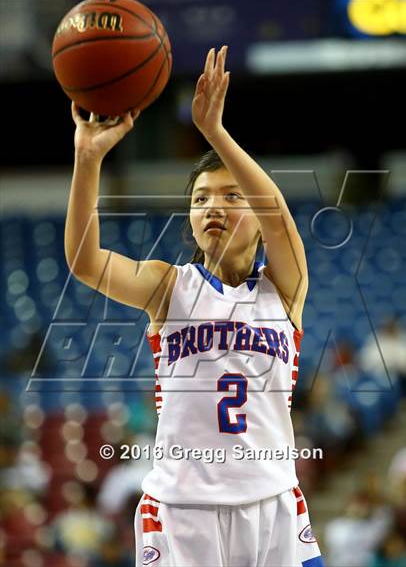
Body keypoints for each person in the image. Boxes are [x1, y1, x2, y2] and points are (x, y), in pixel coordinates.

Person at [66, 46, 324, 567]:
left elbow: (278, 218)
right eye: (202, 198)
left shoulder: (284, 290)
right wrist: (88, 157)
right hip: (183, 511)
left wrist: (215, 133)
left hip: (274, 503)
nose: (213, 207)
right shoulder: (169, 287)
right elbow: (84, 261)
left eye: (232, 197)